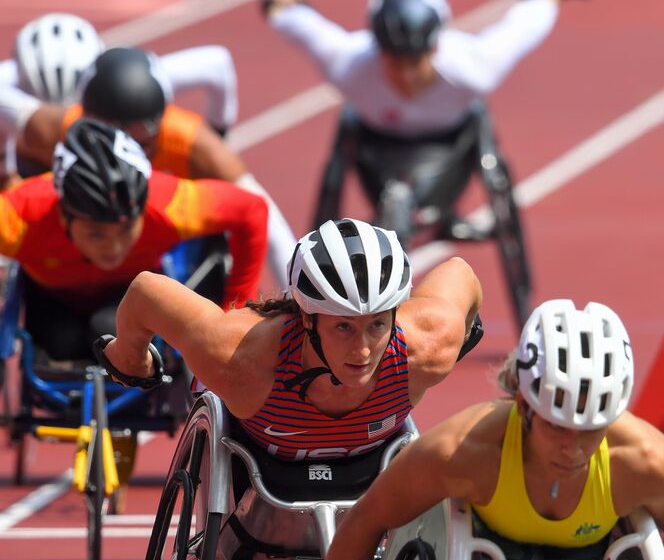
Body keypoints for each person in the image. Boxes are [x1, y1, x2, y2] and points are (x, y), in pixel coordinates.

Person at [298, 299, 664, 560]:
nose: (572, 449)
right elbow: (370, 515)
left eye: (590, 430)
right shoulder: (463, 450)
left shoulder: (647, 462)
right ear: (524, 405)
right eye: (556, 426)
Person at [96, 217, 483, 465]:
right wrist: (130, 359)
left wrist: (461, 339)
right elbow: (146, 291)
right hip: (258, 464)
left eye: (377, 326)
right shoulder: (238, 358)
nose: (363, 350)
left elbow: (461, 272)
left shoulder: (428, 346)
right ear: (308, 319)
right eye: (343, 328)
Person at [262, 0, 569, 233]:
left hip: (449, 150)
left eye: (415, 61)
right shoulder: (349, 64)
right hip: (375, 150)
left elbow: (522, 29)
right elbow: (306, 29)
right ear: (378, 49)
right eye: (395, 62)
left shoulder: (473, 68)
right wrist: (284, 6)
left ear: (435, 48)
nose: (407, 75)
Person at [3, 45, 296, 287]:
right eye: (107, 139)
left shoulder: (193, 145)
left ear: (160, 124)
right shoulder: (53, 129)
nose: (124, 150)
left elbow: (267, 221)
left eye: (141, 143)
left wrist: (220, 129)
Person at [0, 117, 267, 361]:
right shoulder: (21, 217)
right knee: (63, 341)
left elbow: (252, 210)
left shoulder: (169, 205)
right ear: (63, 217)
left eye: (127, 229)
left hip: (131, 298)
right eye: (96, 233)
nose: (114, 247)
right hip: (53, 304)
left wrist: (236, 311)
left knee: (108, 329)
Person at [0, 12, 238, 182]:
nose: (57, 119)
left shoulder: (137, 82)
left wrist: (219, 133)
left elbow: (217, 64)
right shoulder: (7, 85)